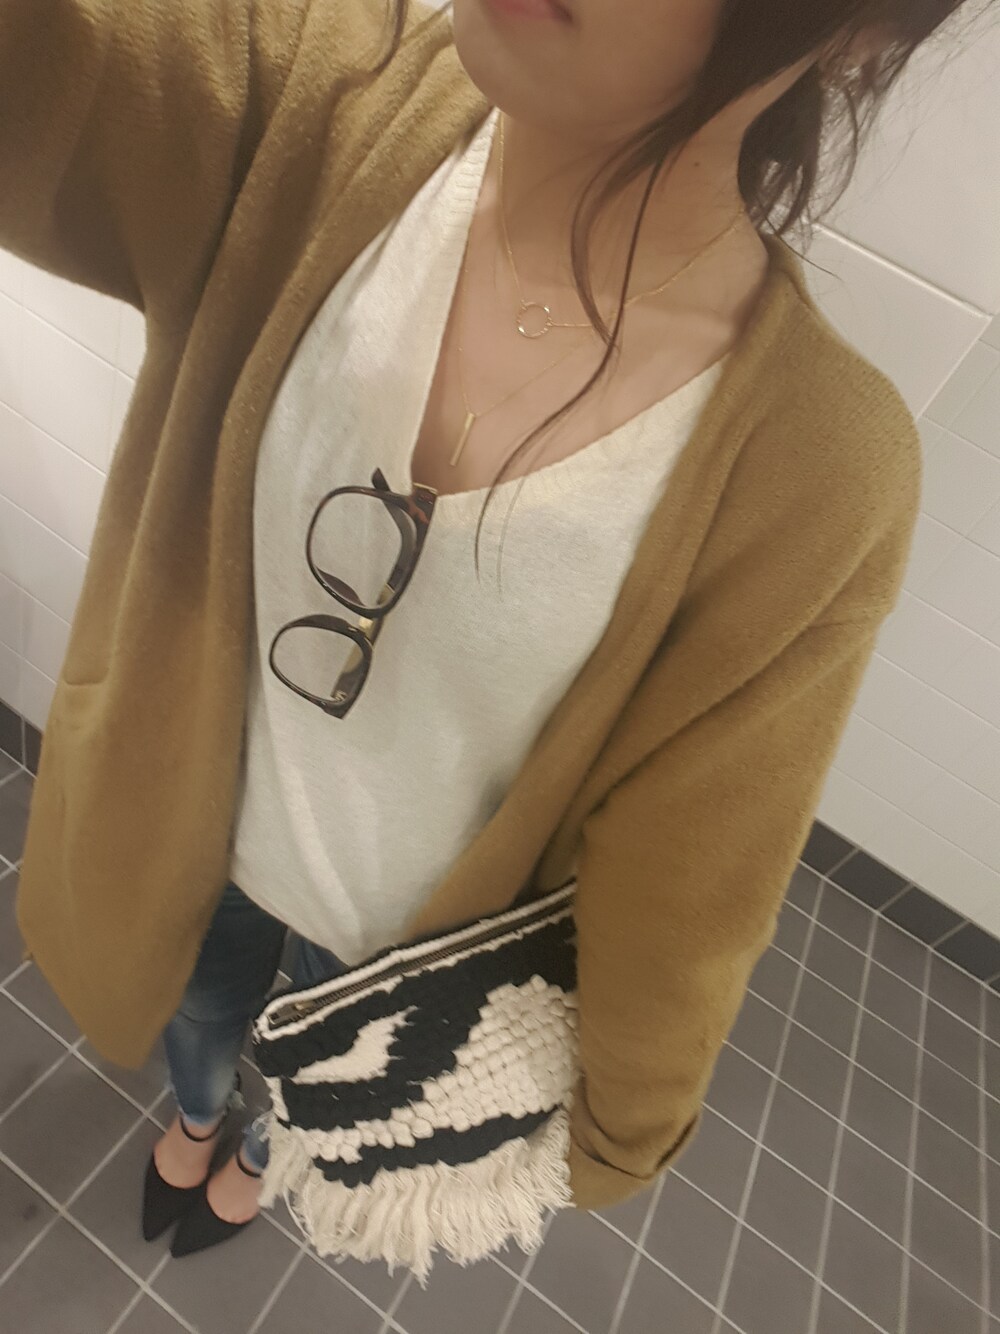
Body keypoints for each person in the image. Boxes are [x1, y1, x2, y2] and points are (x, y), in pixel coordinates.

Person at [3, 0, 971, 1261]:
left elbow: (688, 883)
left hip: (395, 947)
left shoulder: (816, 470)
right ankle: (197, 1114)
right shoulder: (315, 99)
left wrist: (615, 1131)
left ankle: (262, 1149)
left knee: (316, 1075)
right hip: (192, 836)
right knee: (198, 1010)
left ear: (863, 28)